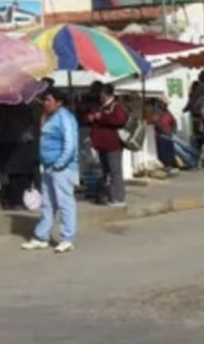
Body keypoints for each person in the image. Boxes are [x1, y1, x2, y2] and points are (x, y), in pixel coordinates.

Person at [23, 88, 79, 254]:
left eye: (48, 100)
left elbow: (70, 144)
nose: (45, 103)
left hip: (62, 168)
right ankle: (41, 236)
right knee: (47, 203)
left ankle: (67, 238)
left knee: (65, 203)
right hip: (48, 166)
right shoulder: (49, 117)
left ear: (58, 102)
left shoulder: (65, 118)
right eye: (45, 100)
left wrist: (60, 163)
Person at [87, 84, 129, 207]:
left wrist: (102, 117)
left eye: (103, 95)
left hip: (113, 144)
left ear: (109, 94)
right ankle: (108, 195)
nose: (101, 97)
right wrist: (92, 118)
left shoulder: (116, 107)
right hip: (101, 144)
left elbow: (119, 120)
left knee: (115, 171)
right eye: (100, 95)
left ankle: (118, 197)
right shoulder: (100, 107)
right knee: (106, 172)